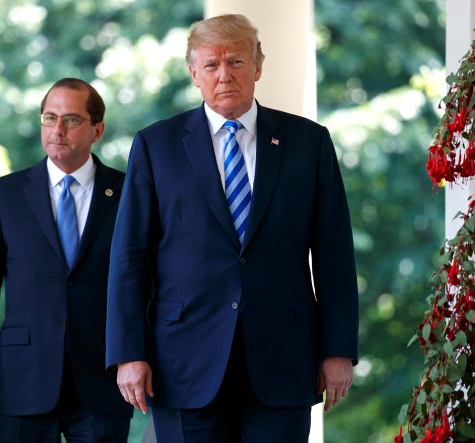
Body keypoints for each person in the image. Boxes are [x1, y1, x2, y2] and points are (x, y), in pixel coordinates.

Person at [106, 14, 359, 442]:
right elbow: (129, 257)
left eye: (236, 62)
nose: (224, 75)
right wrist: (128, 353)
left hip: (283, 359)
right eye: (211, 64)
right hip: (183, 362)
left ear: (258, 66)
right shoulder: (156, 145)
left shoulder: (308, 142)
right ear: (194, 74)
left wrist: (338, 350)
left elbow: (334, 253)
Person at [0, 78, 132, 442]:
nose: (58, 130)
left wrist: (137, 356)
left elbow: (146, 283)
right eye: (49, 118)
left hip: (103, 381)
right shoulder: (4, 195)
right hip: (23, 381)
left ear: (97, 130)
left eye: (71, 120)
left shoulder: (128, 193)